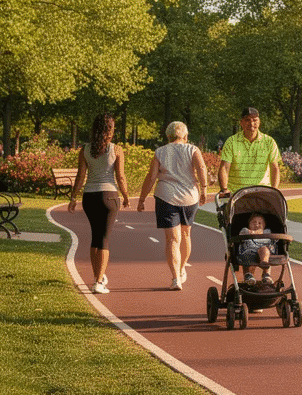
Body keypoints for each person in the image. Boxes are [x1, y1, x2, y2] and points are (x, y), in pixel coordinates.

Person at [137, 121, 209, 290]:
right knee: (185, 235)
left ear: (168, 136)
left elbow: (151, 176)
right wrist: (204, 189)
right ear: (185, 135)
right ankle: (182, 268)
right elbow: (201, 168)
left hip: (166, 196)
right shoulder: (193, 150)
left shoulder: (160, 152)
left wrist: (142, 198)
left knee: (172, 240)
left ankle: (176, 277)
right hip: (189, 197)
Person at [68, 114, 130, 293]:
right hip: (109, 196)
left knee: (95, 236)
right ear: (110, 130)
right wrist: (125, 196)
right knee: (104, 238)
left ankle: (99, 277)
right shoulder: (116, 150)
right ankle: (98, 282)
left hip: (89, 197)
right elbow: (120, 177)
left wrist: (73, 198)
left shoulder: (85, 149)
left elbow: (80, 176)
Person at [218, 107, 281, 194]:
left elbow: (274, 168)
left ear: (259, 122)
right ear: (241, 123)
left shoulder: (269, 142)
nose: (251, 123)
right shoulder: (231, 142)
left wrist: (275, 191)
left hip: (262, 193)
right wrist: (224, 189)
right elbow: (224, 168)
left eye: (255, 120)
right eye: (247, 120)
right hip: (237, 194)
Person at [237, 213, 275, 284]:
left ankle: (266, 273)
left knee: (265, 250)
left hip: (263, 251)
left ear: (264, 226)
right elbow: (243, 234)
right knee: (248, 256)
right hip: (249, 250)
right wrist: (254, 232)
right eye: (254, 222)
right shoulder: (245, 230)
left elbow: (274, 239)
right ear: (249, 224)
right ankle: (248, 275)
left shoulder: (267, 232)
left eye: (260, 223)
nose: (257, 225)